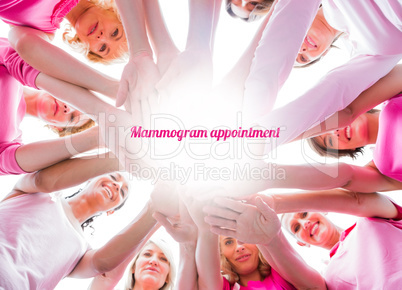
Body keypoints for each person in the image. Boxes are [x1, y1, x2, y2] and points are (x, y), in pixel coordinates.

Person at [241, 0, 402, 152]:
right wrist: (261, 139)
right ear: (323, 54)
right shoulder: (367, 55)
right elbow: (337, 100)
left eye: (294, 50)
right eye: (303, 59)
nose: (300, 50)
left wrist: (251, 111)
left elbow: (280, 43)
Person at [0, 153, 161, 289]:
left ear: (112, 210)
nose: (117, 185)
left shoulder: (82, 251)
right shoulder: (38, 192)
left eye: (123, 191)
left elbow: (102, 264)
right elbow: (40, 180)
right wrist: (123, 158)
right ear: (90, 178)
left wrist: (154, 207)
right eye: (113, 176)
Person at [204, 190, 402, 289]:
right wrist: (270, 240)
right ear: (301, 242)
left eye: (305, 214)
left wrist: (277, 203)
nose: (305, 223)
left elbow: (358, 200)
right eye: (296, 227)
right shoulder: (329, 276)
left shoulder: (370, 218)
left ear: (321, 210)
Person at [182, 195, 324, 290]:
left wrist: (269, 238)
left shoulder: (280, 273)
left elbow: (316, 287)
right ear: (222, 254)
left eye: (242, 239)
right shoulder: (225, 287)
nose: (239, 247)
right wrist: (205, 229)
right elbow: (208, 281)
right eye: (228, 242)